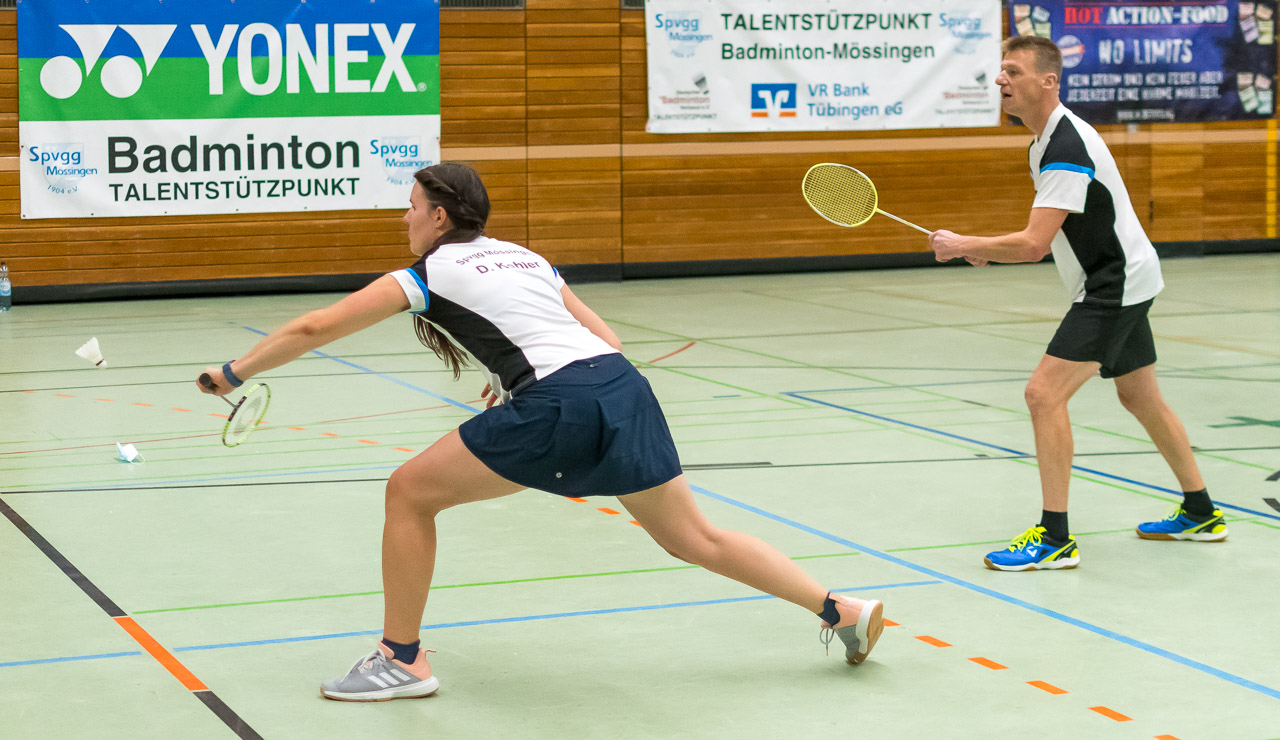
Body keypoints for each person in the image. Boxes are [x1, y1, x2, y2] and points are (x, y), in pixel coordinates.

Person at [198, 162, 885, 701]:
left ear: (438, 216)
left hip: (562, 402)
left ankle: (401, 660)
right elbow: (606, 340)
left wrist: (234, 371)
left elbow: (316, 325)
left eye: (410, 206)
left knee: (408, 492)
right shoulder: (525, 257)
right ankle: (838, 609)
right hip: (622, 387)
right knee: (693, 537)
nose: (403, 217)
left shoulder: (428, 272)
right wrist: (523, 378)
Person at [927, 36, 1228, 572]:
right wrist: (986, 249)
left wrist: (967, 244)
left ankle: (1055, 538)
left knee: (1042, 394)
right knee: (1141, 397)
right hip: (1127, 277)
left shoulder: (1065, 146)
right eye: (1000, 70)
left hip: (1113, 285)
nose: (1000, 80)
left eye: (1013, 71)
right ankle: (1201, 512)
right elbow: (1049, 234)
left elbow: (1033, 244)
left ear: (1048, 81)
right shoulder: (1043, 142)